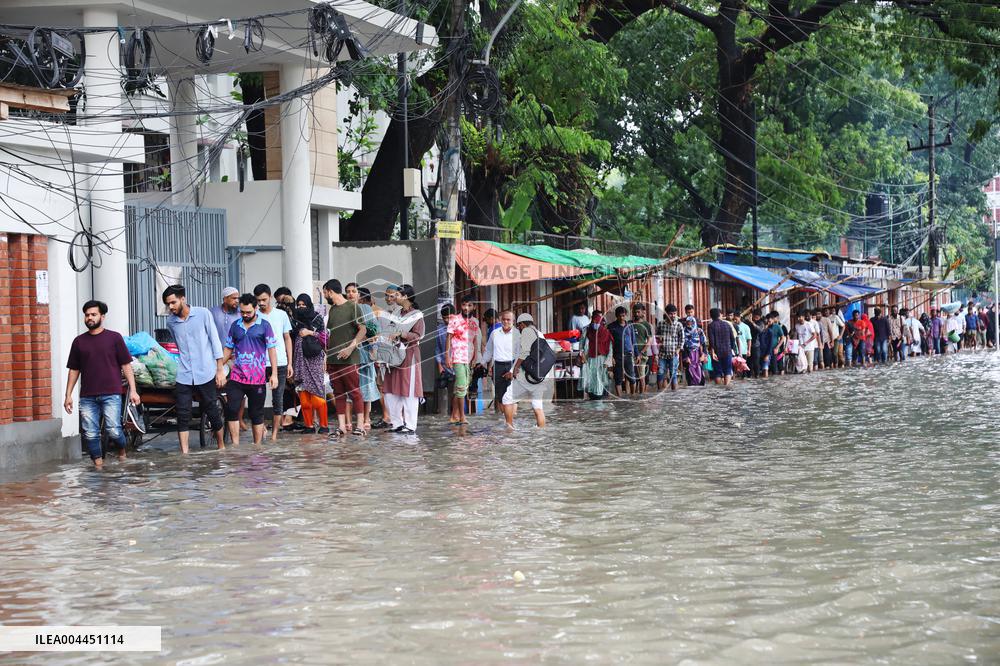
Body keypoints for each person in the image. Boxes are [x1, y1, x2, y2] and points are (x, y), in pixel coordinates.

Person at [64, 300, 141, 467]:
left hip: (111, 393)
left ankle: (122, 451)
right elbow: (74, 370)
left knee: (113, 430)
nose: (89, 318)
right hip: (87, 396)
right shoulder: (79, 342)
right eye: (87, 315)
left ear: (102, 316)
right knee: (90, 433)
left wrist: (133, 391)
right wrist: (68, 395)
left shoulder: (114, 338)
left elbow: (126, 365)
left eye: (93, 314)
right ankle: (98, 467)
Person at [162, 284, 225, 453]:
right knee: (182, 413)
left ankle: (222, 447)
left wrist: (219, 369)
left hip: (206, 371)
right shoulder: (171, 322)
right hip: (184, 373)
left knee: (211, 409)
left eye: (173, 302)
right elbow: (178, 344)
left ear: (183, 299)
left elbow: (215, 340)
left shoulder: (203, 314)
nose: (171, 307)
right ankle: (184, 453)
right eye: (168, 304)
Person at [221, 294, 278, 445]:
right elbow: (228, 348)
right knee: (232, 409)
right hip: (237, 376)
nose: (245, 315)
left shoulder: (265, 326)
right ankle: (235, 446)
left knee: (256, 413)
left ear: (256, 308)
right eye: (242, 312)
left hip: (257, 379)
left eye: (248, 312)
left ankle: (257, 446)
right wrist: (218, 367)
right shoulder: (235, 326)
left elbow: (272, 350)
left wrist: (274, 374)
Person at [322, 279, 367, 438]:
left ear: (330, 291)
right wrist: (326, 357)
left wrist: (350, 347)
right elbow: (329, 335)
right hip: (333, 359)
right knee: (338, 393)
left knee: (355, 392)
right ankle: (341, 426)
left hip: (349, 359)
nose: (325, 296)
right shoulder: (333, 310)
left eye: (325, 292)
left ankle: (360, 425)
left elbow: (363, 329)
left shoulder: (353, 307)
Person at [254, 284, 294, 441]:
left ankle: (275, 435)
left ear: (270, 297)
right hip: (259, 363)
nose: (261, 303)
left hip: (280, 362)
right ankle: (261, 428)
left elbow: (287, 338)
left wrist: (290, 362)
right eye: (258, 300)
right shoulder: (254, 315)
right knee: (258, 398)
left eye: (264, 299)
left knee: (278, 399)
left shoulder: (281, 314)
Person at [382, 284, 424, 434]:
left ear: (406, 297)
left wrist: (402, 334)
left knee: (409, 390)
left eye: (397, 295)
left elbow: (419, 335)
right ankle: (397, 423)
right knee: (390, 390)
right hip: (393, 356)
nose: (394, 297)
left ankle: (410, 425)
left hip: (409, 355)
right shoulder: (396, 313)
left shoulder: (416, 315)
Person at [503, 313, 549, 428]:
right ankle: (542, 433)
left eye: (519, 326)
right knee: (538, 407)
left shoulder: (526, 332)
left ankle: (509, 429)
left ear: (522, 324)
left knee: (507, 398)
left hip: (527, 376)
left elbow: (523, 354)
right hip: (539, 375)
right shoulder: (540, 334)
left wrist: (515, 369)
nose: (518, 328)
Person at [292, 293, 330, 434]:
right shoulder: (294, 320)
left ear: (309, 305)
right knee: (304, 397)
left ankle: (324, 425)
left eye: (304, 305)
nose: (301, 307)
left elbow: (325, 339)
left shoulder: (317, 318)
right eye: (299, 305)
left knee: (317, 395)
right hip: (299, 361)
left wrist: (310, 332)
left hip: (314, 360)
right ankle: (309, 426)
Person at [445, 294, 479, 424]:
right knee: (461, 387)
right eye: (464, 305)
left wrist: (475, 357)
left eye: (469, 305)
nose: (466, 307)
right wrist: (447, 356)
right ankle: (462, 417)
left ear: (474, 307)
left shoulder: (475, 322)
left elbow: (475, 340)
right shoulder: (454, 319)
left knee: (462, 387)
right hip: (457, 357)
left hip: (469, 359)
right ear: (461, 305)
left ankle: (454, 416)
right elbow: (448, 338)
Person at [483, 310, 516, 412]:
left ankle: (509, 417)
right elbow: (489, 350)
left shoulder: (517, 334)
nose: (506, 321)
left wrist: (514, 370)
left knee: (510, 396)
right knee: (502, 395)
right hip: (500, 365)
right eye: (504, 319)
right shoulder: (495, 333)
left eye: (508, 320)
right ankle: (504, 417)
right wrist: (483, 363)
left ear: (513, 321)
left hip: (510, 365)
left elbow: (521, 354)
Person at [579, 310, 613, 399]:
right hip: (589, 360)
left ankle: (598, 401)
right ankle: (594, 402)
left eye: (597, 321)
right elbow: (581, 345)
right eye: (594, 321)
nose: (595, 323)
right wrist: (582, 356)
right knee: (590, 383)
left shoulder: (606, 332)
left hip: (602, 361)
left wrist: (607, 362)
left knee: (600, 383)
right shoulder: (587, 331)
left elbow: (610, 349)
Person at [607, 306, 637, 396]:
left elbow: (634, 341)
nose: (621, 318)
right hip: (617, 355)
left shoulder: (630, 327)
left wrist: (637, 354)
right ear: (616, 316)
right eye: (619, 316)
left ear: (626, 315)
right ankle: (620, 398)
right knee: (618, 379)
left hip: (628, 354)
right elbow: (608, 343)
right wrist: (611, 357)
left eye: (623, 316)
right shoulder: (611, 327)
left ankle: (633, 396)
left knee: (632, 378)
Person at [656, 305, 685, 390]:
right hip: (662, 354)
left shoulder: (678, 325)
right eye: (671, 314)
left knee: (673, 374)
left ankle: (674, 394)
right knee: (660, 372)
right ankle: (659, 392)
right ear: (666, 314)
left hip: (673, 353)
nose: (673, 316)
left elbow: (682, 339)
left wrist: (678, 350)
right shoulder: (661, 324)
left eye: (674, 314)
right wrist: (659, 340)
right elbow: (657, 336)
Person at [706, 308, 735, 385]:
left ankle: (719, 389)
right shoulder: (727, 324)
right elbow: (732, 338)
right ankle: (726, 386)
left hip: (716, 352)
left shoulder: (711, 326)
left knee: (717, 372)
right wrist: (732, 349)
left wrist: (712, 352)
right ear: (720, 315)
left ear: (711, 316)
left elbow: (711, 341)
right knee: (727, 371)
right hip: (727, 351)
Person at [632, 304, 654, 394]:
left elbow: (649, 341)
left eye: (638, 312)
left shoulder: (646, 325)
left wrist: (641, 352)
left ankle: (642, 396)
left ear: (642, 313)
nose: (636, 314)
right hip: (630, 354)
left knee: (641, 377)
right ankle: (631, 396)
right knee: (630, 378)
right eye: (635, 312)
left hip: (642, 355)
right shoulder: (630, 324)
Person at [682, 315, 706, 386]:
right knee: (690, 374)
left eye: (691, 323)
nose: (689, 325)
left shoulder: (699, 331)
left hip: (698, 354)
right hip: (689, 355)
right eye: (688, 323)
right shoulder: (683, 331)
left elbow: (703, 344)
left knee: (700, 373)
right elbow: (683, 346)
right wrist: (686, 357)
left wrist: (703, 355)